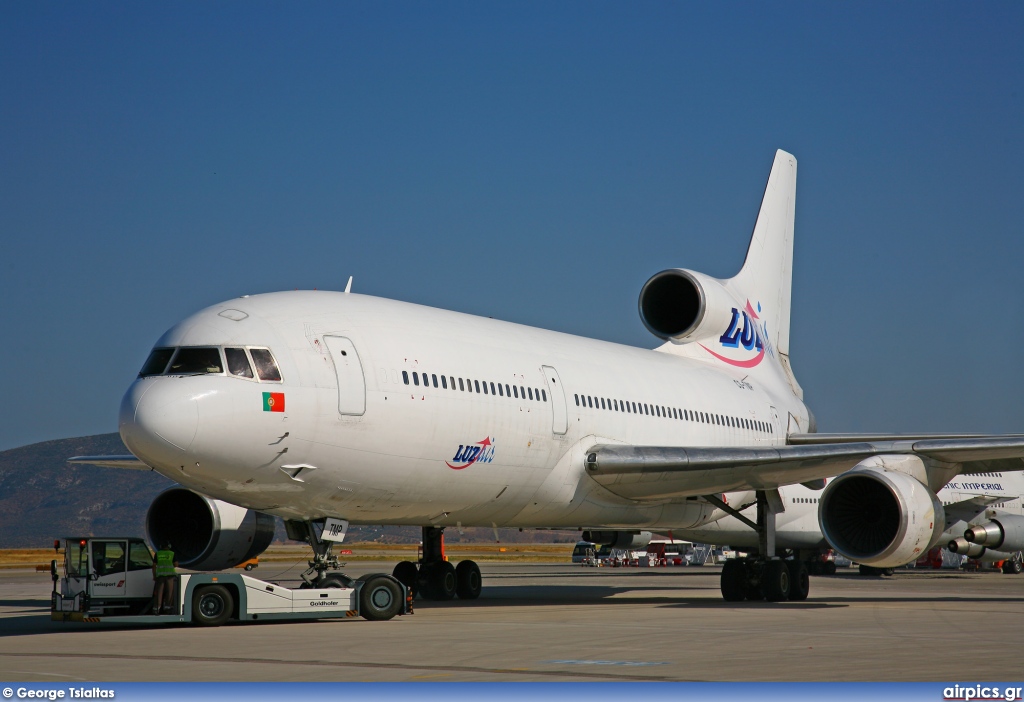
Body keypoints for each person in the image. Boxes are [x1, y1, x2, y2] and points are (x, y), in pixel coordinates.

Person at [152, 542, 178, 614]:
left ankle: (156, 609)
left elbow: (154, 565)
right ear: (169, 546)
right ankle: (168, 608)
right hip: (170, 576)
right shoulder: (172, 553)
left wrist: (154, 576)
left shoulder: (158, 554)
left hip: (160, 576)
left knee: (159, 592)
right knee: (169, 592)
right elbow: (176, 564)